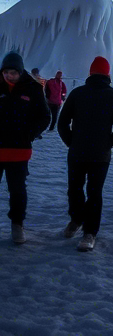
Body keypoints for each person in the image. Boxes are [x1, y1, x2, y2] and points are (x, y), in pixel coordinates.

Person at [58, 56, 113, 252]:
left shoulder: (77, 93)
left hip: (77, 152)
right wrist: (109, 143)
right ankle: (89, 233)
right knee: (94, 193)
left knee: (74, 189)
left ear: (90, 73)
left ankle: (76, 219)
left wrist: (70, 142)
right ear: (108, 74)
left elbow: (62, 122)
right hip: (100, 155)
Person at [0, 51, 52, 245]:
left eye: (13, 73)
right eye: (6, 72)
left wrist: (28, 134)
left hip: (19, 151)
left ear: (21, 72)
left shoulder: (32, 88)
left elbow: (45, 116)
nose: (9, 76)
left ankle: (17, 224)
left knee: (17, 190)